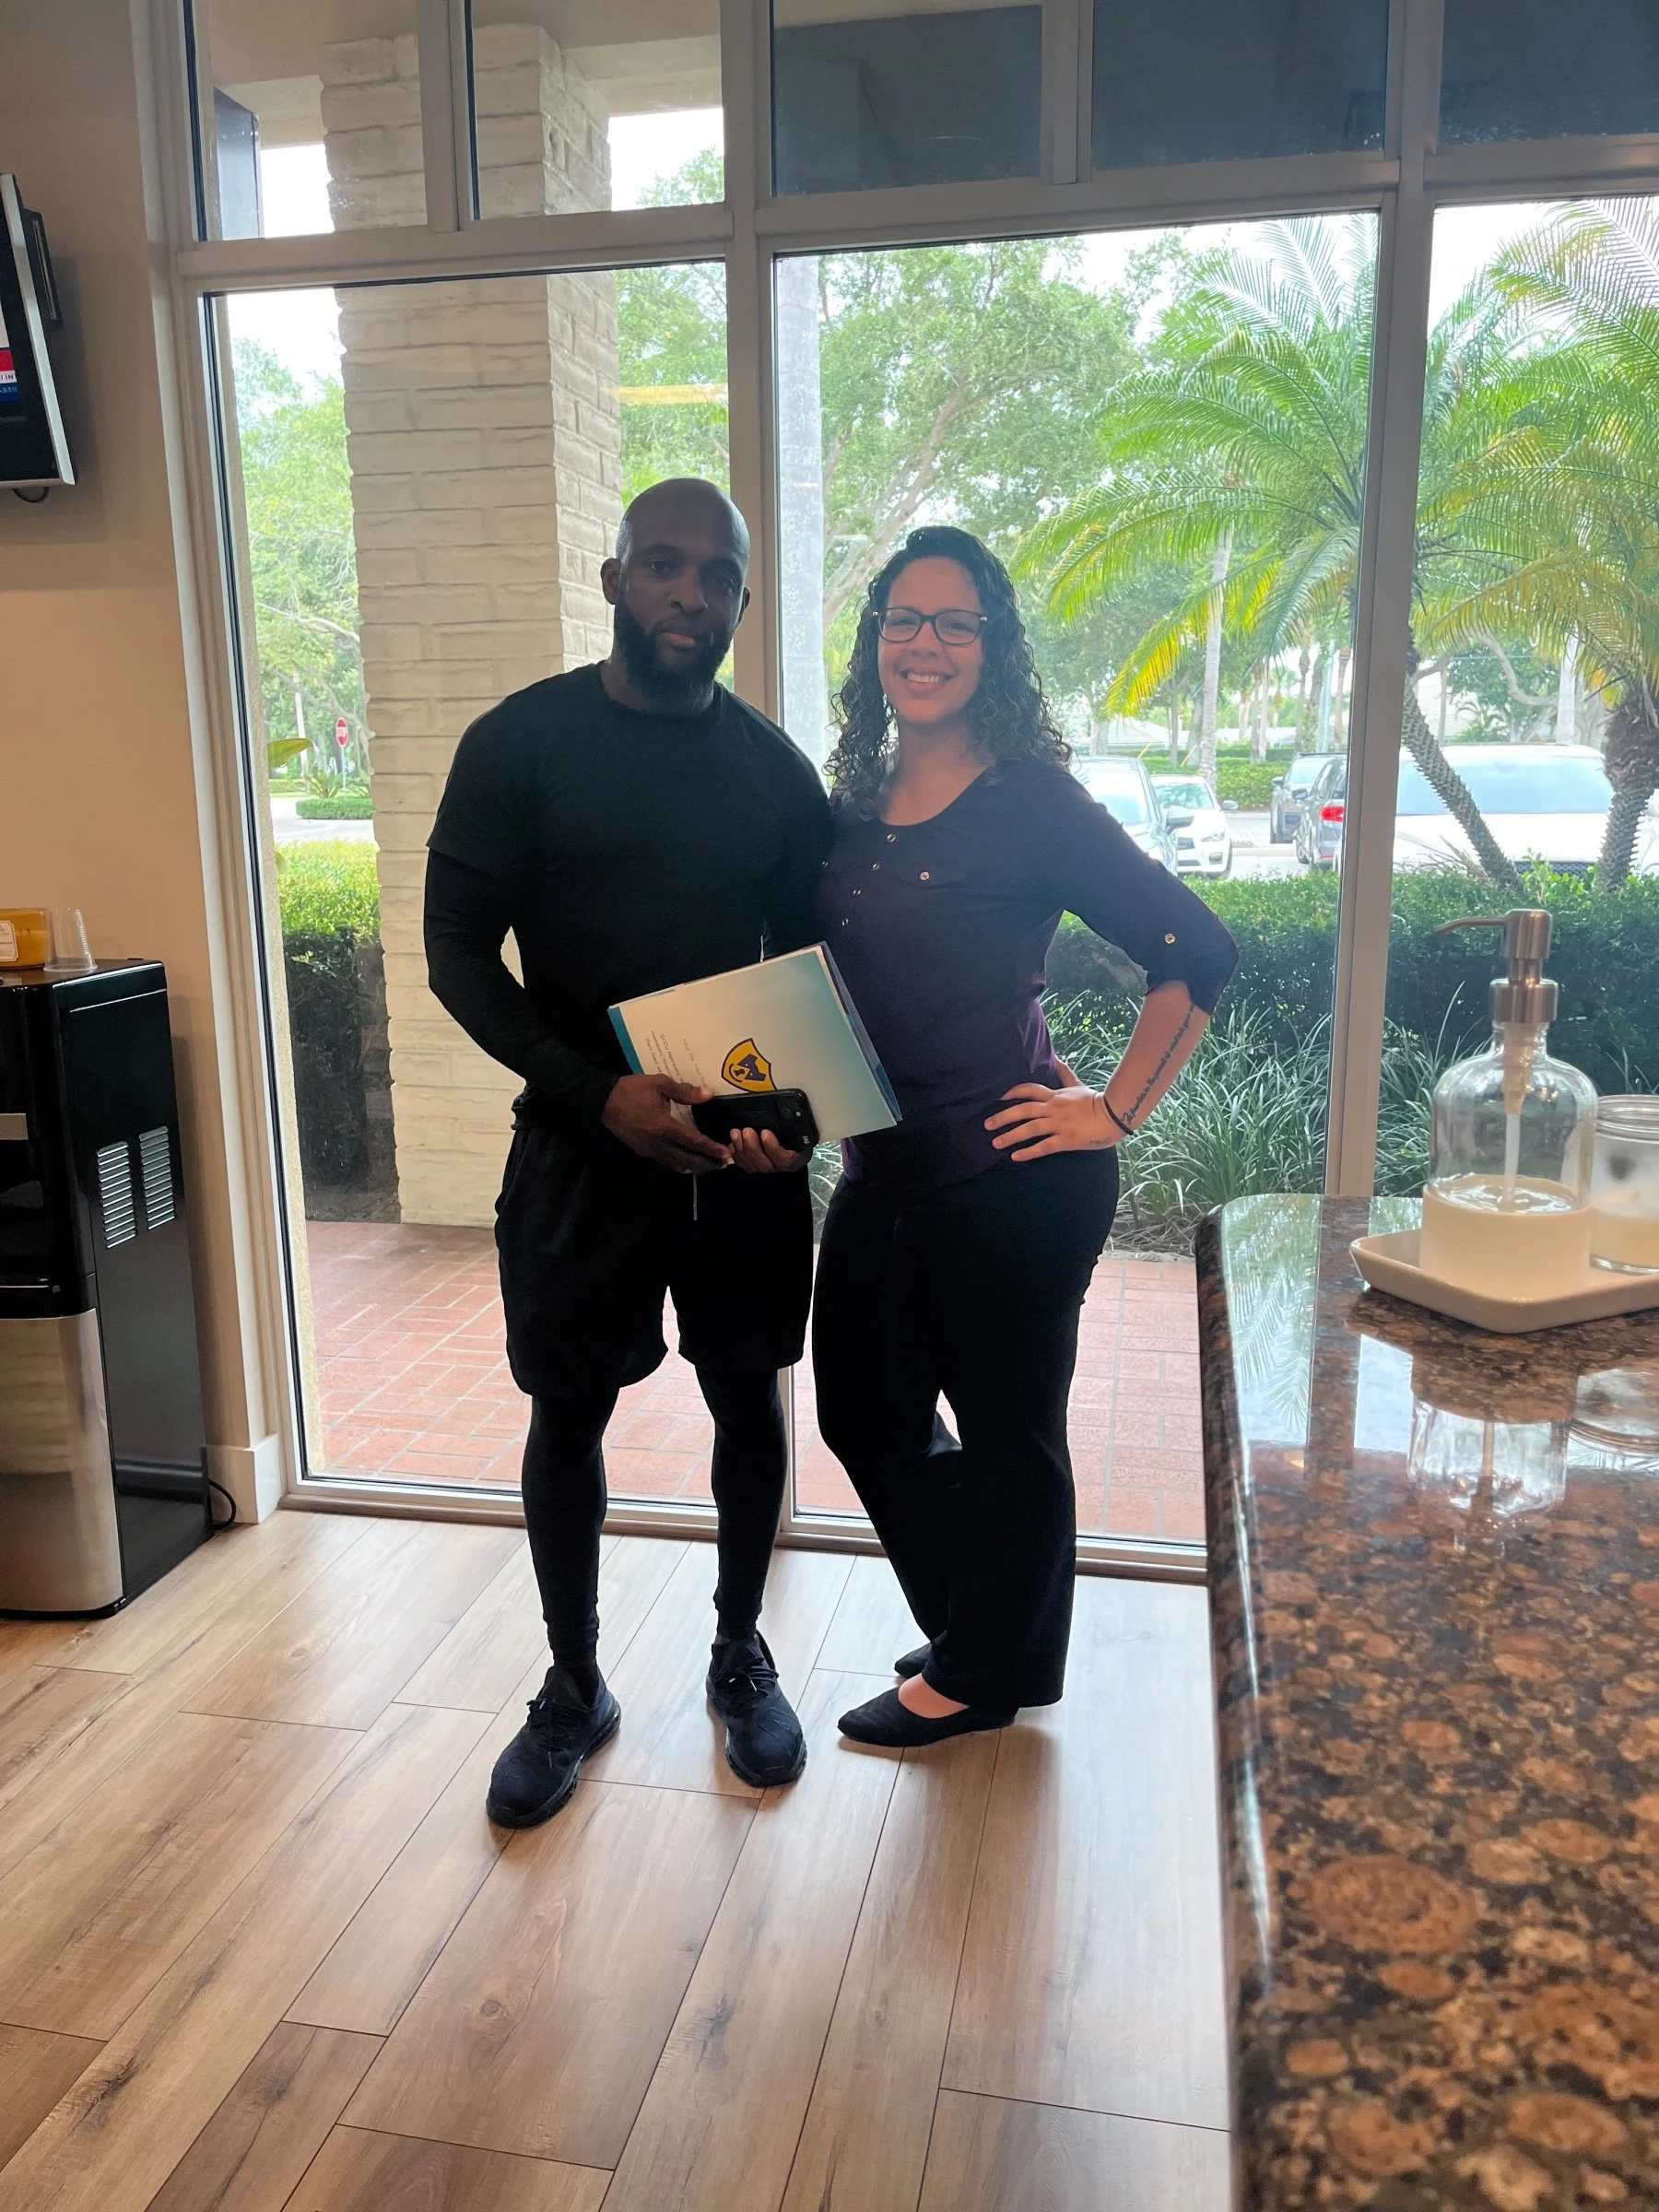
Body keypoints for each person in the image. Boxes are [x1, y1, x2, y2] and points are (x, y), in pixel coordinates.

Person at [753, 524, 1236, 1747]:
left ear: (994, 646)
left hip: (1013, 1175)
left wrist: (1114, 1109)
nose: (925, 644)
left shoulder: (1030, 800)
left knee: (1012, 1437)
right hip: (883, 1166)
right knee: (862, 1415)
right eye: (902, 622)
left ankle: (978, 1672)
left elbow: (1196, 950)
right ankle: (989, 1629)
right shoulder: (854, 797)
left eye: (954, 622)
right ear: (874, 647)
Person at [424, 477, 830, 1826]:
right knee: (569, 1411)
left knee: (746, 1395)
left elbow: (812, 983)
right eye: (662, 566)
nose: (687, 595)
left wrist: (793, 1125)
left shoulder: (776, 775)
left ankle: (737, 1650)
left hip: (735, 1165)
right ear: (613, 581)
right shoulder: (519, 746)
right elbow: (455, 956)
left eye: (716, 577)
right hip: (578, 1144)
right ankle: (572, 1683)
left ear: (739, 604)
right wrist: (595, 1094)